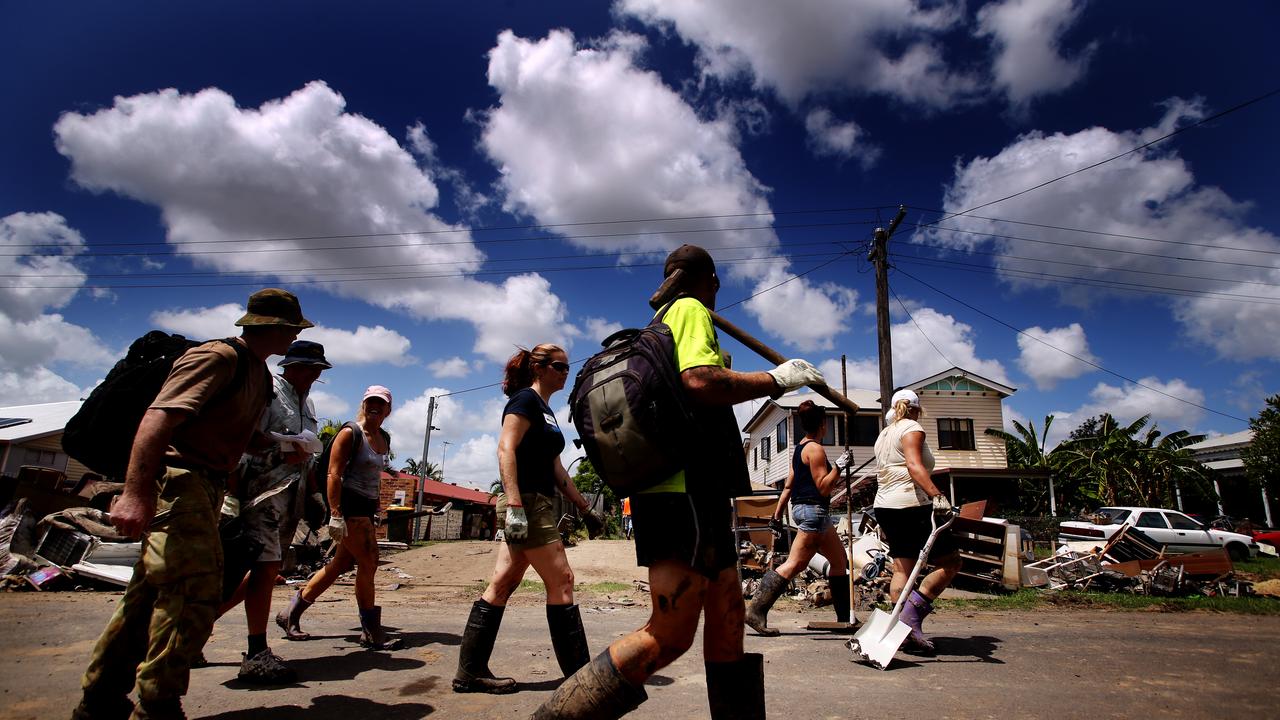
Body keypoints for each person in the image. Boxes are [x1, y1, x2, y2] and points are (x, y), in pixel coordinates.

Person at [531, 244, 826, 720]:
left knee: (729, 615)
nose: (717, 290)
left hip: (697, 493)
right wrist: (775, 380)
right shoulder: (689, 310)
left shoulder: (663, 322)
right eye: (716, 282)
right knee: (670, 633)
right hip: (679, 493)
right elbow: (701, 382)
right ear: (707, 279)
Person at [74, 288, 310, 720]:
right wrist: (136, 493)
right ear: (273, 327)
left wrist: (282, 445)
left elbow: (239, 435)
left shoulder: (256, 374)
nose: (296, 336)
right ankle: (158, 703)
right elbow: (159, 418)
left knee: (145, 600)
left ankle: (101, 698)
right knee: (194, 595)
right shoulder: (217, 358)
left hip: (207, 487)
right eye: (293, 328)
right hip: (179, 486)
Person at [453, 343, 603, 694]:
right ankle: (580, 678)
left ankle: (469, 671)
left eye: (568, 367)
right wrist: (516, 505)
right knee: (562, 580)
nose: (566, 372)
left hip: (537, 501)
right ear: (540, 368)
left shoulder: (547, 412)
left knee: (503, 584)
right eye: (559, 366)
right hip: (527, 504)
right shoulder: (524, 401)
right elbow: (506, 448)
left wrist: (585, 509)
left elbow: (557, 469)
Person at [214, 340, 330, 684]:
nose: (313, 376)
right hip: (259, 492)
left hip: (289, 495)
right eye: (309, 369)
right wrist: (234, 494)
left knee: (267, 571)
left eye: (318, 371)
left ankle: (199, 628)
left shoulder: (306, 403)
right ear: (290, 367)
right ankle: (255, 652)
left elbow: (307, 453)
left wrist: (314, 495)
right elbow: (243, 438)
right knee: (262, 569)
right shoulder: (268, 392)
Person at [277, 385, 402, 650]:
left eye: (381, 403)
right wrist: (335, 514)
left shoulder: (383, 437)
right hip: (349, 507)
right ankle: (371, 630)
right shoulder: (350, 433)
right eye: (371, 402)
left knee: (338, 564)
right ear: (364, 403)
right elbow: (333, 474)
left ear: (388, 409)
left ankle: (291, 613)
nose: (375, 407)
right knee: (369, 563)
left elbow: (374, 473)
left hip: (366, 508)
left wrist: (378, 505)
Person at [745, 400, 852, 636]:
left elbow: (789, 486)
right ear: (823, 424)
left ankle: (844, 619)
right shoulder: (815, 449)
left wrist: (776, 515)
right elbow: (824, 488)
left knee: (839, 561)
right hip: (814, 512)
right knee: (795, 564)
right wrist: (839, 467)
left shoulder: (799, 449)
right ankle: (755, 611)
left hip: (809, 511)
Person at [872, 388, 959, 655]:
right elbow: (913, 465)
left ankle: (901, 629)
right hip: (911, 505)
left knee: (902, 570)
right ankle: (909, 618)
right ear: (915, 409)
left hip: (885, 506)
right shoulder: (911, 428)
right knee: (951, 562)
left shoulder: (884, 434)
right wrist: (937, 495)